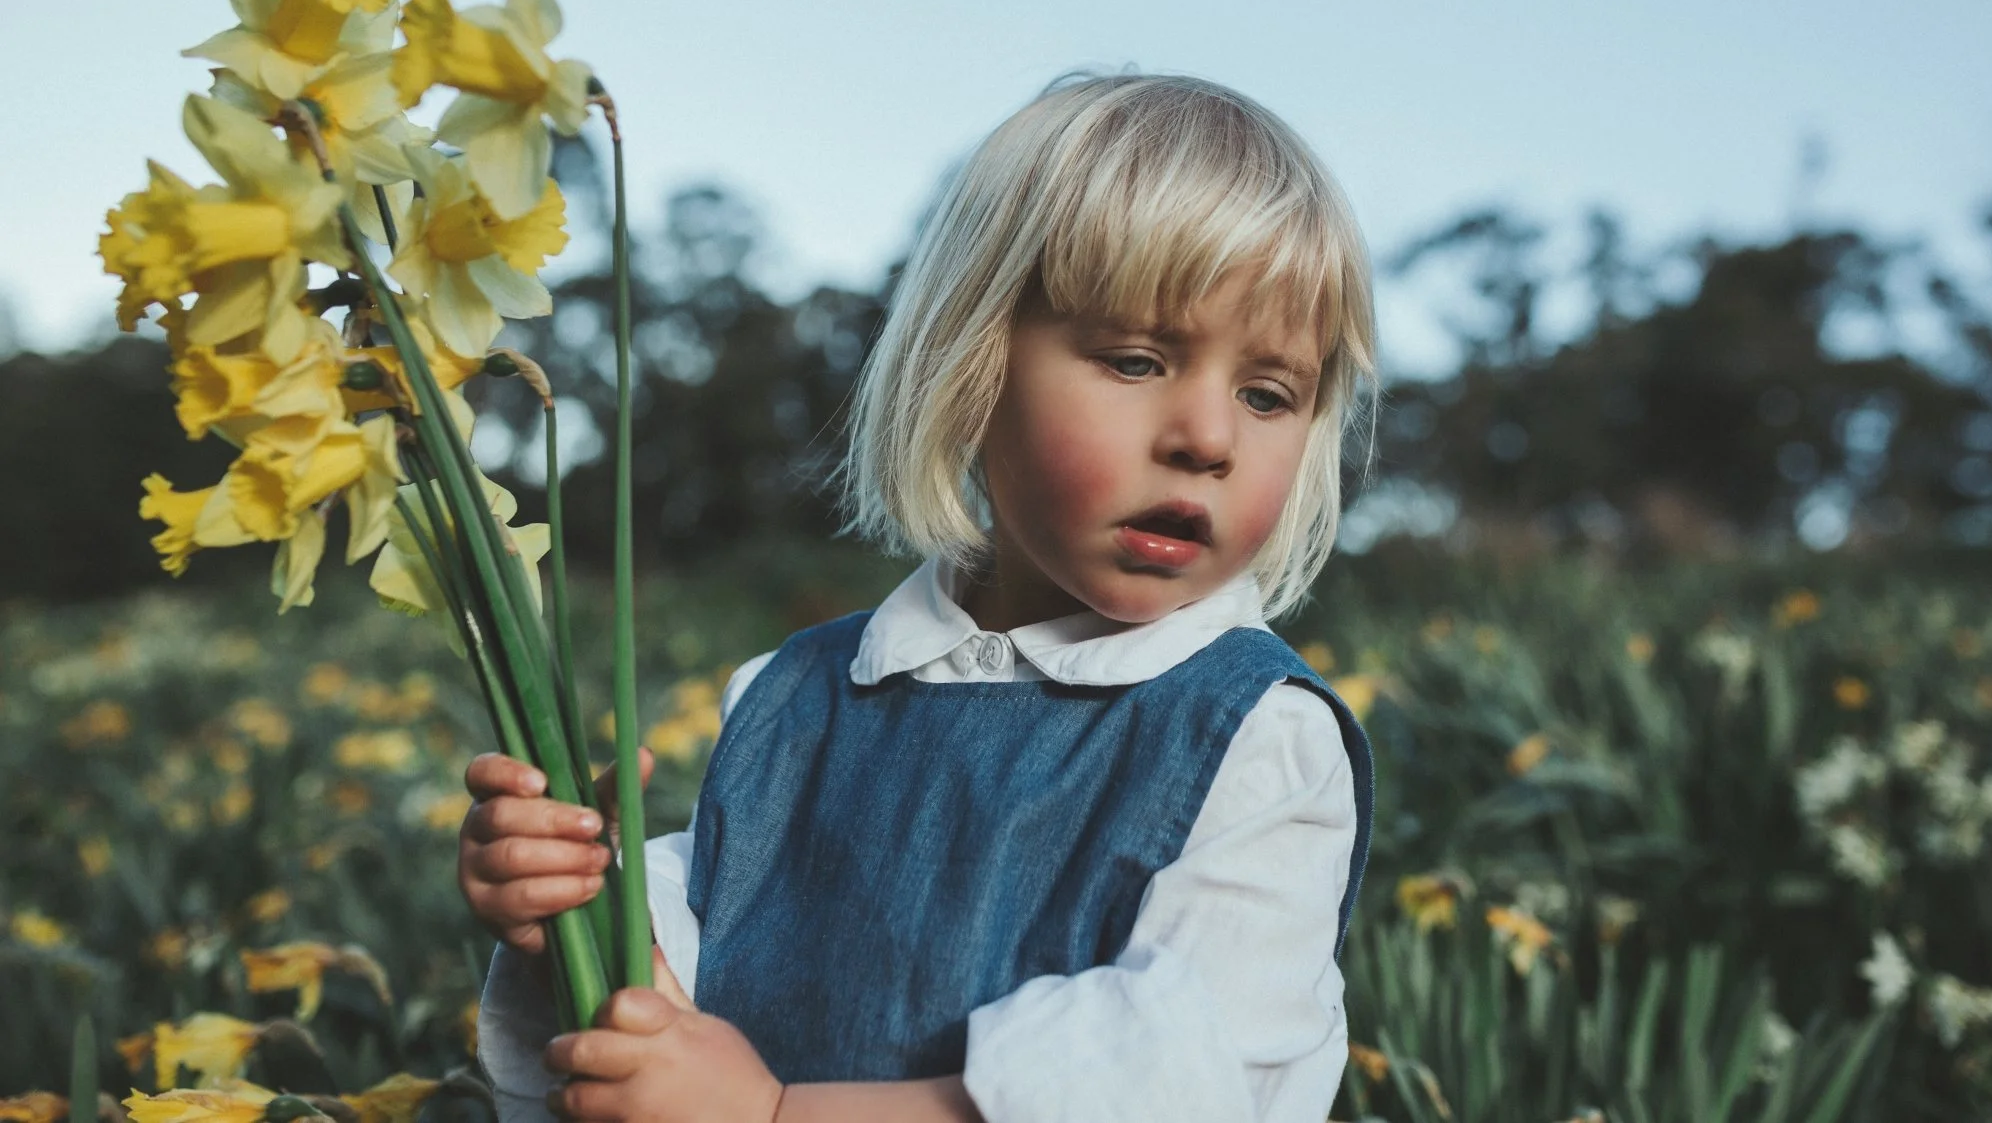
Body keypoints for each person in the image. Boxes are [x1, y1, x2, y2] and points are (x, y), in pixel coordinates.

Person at [458, 73, 1379, 1122]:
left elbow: (1172, 1084)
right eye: (1136, 358)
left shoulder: (1256, 740)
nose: (1207, 438)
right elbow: (669, 1015)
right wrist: (563, 914)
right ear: (974, 361)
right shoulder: (795, 695)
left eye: (1267, 394)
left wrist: (770, 1114)